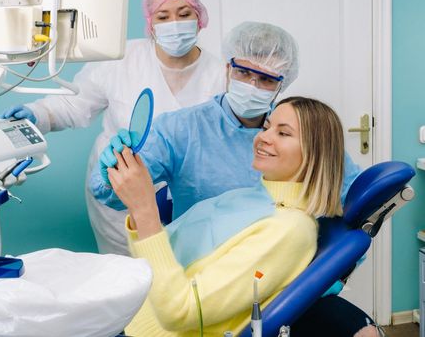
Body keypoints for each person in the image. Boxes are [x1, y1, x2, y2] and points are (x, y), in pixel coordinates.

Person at [92, 21, 378, 337]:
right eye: (243, 72)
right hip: (177, 282)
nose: (252, 85)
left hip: (217, 293)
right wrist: (113, 172)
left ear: (281, 84)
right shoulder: (185, 131)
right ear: (228, 69)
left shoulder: (288, 225)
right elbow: (113, 192)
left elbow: (353, 208)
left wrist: (327, 272)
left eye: (266, 79)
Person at [1, 0, 226, 255]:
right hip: (119, 190)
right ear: (150, 24)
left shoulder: (220, 74)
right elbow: (75, 102)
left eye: (184, 13)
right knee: (125, 274)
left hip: (189, 198)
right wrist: (39, 114)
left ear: (200, 18)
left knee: (181, 272)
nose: (174, 24)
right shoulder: (122, 60)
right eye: (162, 16)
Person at [107, 97, 349, 336]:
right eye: (267, 127)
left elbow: (181, 311)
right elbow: (161, 253)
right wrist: (136, 200)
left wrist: (144, 208)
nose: (263, 137)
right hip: (131, 313)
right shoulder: (249, 198)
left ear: (315, 153)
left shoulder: (289, 230)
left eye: (283, 134)